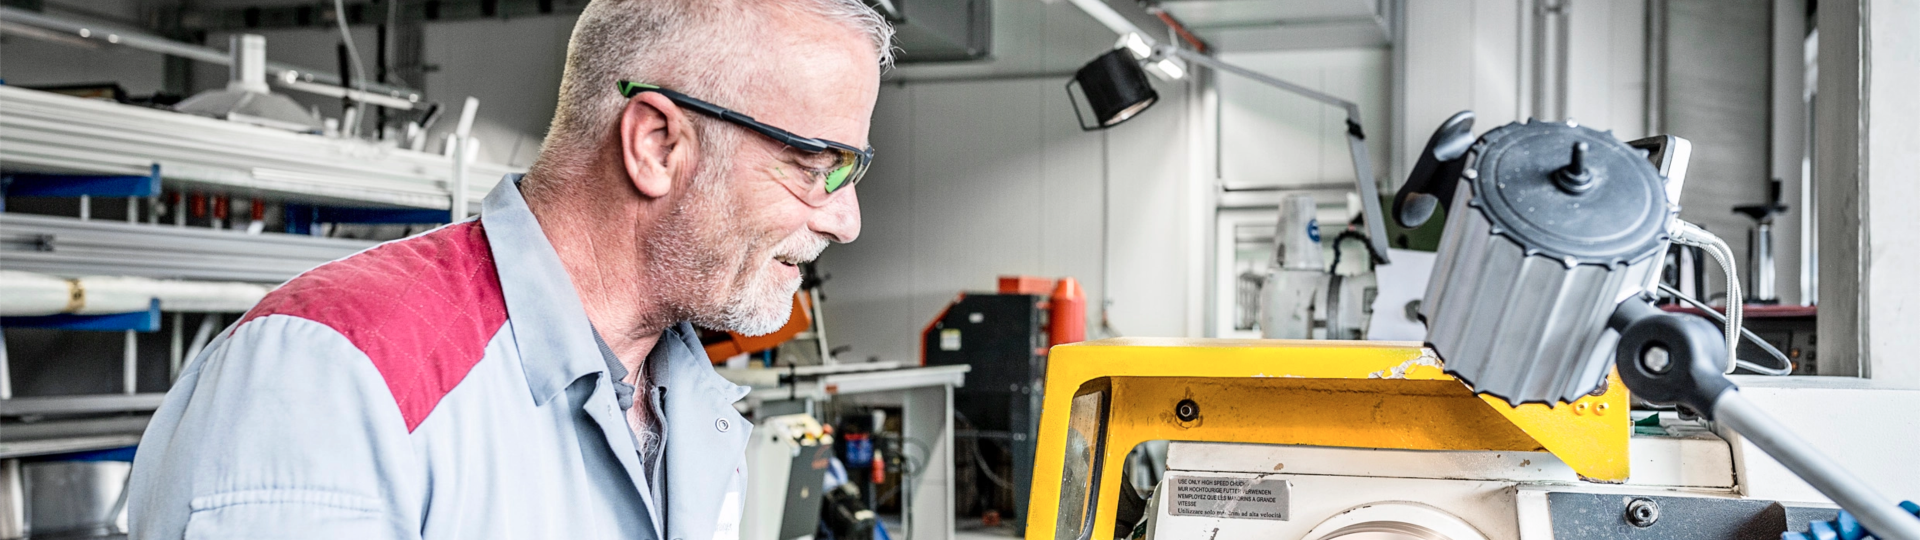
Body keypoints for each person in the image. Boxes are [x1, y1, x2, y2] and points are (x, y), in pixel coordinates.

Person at [125, 1, 891, 538]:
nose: (846, 220)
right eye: (816, 165)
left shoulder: (687, 401)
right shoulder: (333, 375)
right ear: (658, 145)